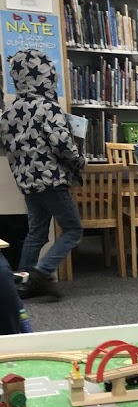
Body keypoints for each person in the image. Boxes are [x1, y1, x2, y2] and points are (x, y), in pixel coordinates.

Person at [0, 49, 85, 300]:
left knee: (36, 233)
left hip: (27, 182)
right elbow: (62, 145)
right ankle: (41, 273)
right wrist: (80, 161)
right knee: (73, 229)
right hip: (52, 180)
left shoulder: (9, 113)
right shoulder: (48, 107)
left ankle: (22, 282)